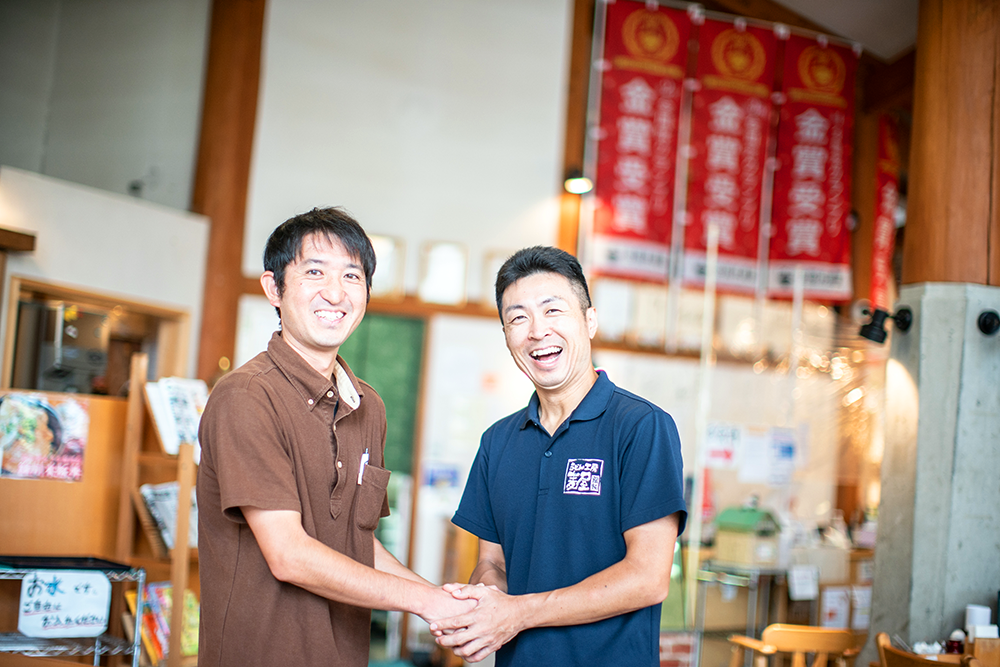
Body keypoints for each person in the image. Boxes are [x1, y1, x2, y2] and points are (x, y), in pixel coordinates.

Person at [196, 207, 474, 667]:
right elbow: (288, 554)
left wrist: (439, 600)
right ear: (274, 289)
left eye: (352, 275)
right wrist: (428, 605)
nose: (335, 292)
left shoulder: (369, 407)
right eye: (314, 272)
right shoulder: (246, 397)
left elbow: (357, 540)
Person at [432, 246, 687, 666]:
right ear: (507, 336)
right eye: (518, 318)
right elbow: (492, 562)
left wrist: (517, 613)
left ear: (589, 321)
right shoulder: (497, 442)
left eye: (553, 311)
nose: (536, 331)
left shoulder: (641, 427)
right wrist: (480, 604)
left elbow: (648, 578)